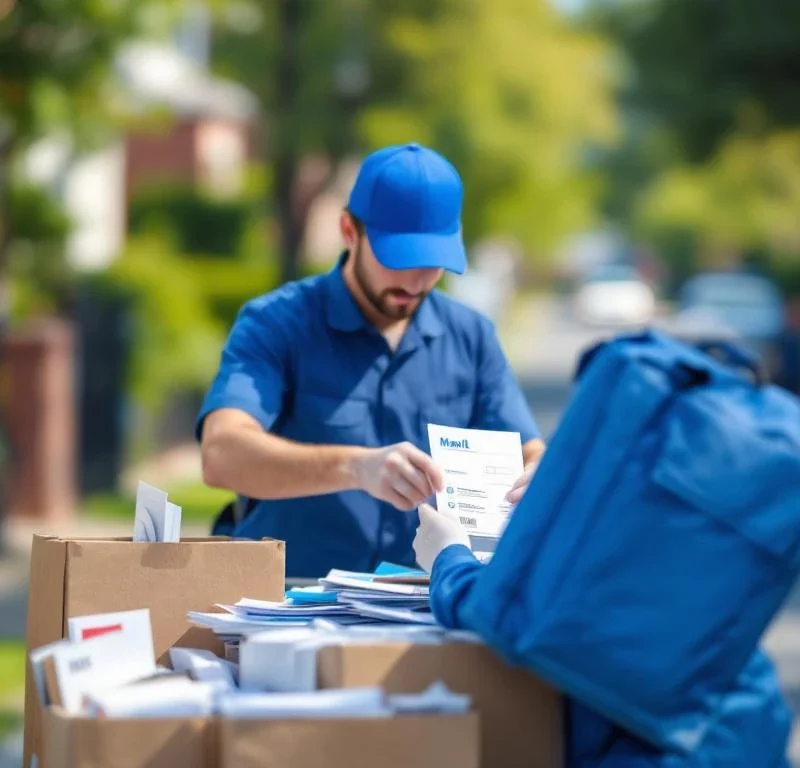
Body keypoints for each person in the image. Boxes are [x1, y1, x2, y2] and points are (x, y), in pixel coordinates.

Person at [197, 142, 545, 578]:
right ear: (348, 230)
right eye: (398, 257)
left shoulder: (471, 336)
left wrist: (539, 472)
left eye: (434, 263)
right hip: (291, 602)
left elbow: (527, 449)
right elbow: (221, 454)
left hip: (424, 606)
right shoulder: (276, 323)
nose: (416, 281)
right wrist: (358, 467)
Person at [412, 505, 793, 766]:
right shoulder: (708, 553)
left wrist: (448, 555)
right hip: (749, 730)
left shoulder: (603, 572)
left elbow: (502, 611)